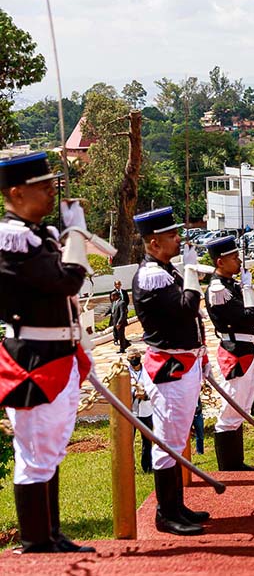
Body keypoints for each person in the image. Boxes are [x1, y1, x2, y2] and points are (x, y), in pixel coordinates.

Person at [0, 152, 95, 553]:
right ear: (16, 193)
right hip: (32, 359)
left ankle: (51, 533)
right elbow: (65, 282)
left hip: (55, 353)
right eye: (44, 187)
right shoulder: (12, 238)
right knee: (36, 451)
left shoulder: (36, 235)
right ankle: (37, 540)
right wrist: (74, 238)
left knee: (51, 450)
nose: (52, 193)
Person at [131, 206, 210, 536]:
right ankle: (166, 513)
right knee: (167, 441)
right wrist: (191, 273)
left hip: (184, 363)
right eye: (172, 235)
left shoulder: (165, 271)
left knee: (177, 439)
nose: (179, 239)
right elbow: (186, 308)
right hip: (169, 367)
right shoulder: (151, 276)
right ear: (153, 242)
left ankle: (177, 506)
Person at [203, 235, 254, 471]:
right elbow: (249, 316)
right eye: (233, 258)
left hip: (247, 348)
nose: (238, 262)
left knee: (243, 407)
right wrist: (247, 289)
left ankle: (236, 462)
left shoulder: (230, 286)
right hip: (235, 351)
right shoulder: (218, 290)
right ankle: (229, 465)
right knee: (231, 409)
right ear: (220, 262)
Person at [128, 351, 154, 473]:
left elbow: (153, 388)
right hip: (131, 412)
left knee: (147, 441)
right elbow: (121, 390)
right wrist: (134, 394)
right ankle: (129, 467)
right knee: (128, 442)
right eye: (132, 358)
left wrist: (145, 396)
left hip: (146, 411)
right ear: (128, 359)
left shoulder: (147, 371)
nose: (135, 359)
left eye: (137, 357)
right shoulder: (124, 373)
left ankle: (147, 466)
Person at [110, 280, 130, 353]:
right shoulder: (114, 302)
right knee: (120, 335)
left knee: (121, 335)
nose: (111, 297)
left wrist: (119, 322)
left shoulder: (121, 303)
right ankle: (126, 343)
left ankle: (123, 348)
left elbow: (122, 313)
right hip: (116, 319)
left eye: (112, 296)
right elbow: (111, 307)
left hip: (120, 321)